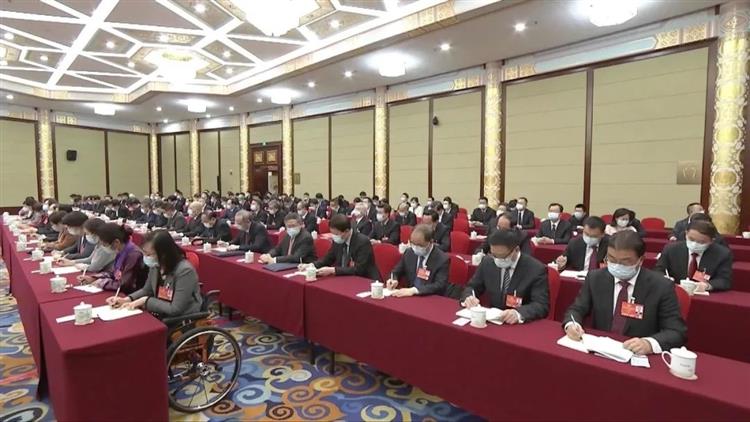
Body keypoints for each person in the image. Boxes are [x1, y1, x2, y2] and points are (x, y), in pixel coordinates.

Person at [562, 231, 687, 354]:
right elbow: (577, 309)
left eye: (625, 262)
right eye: (611, 259)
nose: (617, 265)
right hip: (601, 350)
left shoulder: (661, 286)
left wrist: (649, 343)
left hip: (635, 353)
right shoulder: (595, 278)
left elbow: (676, 331)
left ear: (640, 260)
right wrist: (572, 324)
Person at [460, 229, 549, 323]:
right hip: (493, 320)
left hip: (517, 324)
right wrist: (469, 297)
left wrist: (518, 313)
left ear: (516, 250)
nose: (498, 260)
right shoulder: (488, 262)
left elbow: (541, 305)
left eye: (503, 257)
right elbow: (472, 287)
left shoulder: (536, 269)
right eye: (494, 255)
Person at [107, 231, 202, 318]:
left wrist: (146, 301)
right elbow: (147, 290)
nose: (146, 258)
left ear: (164, 254)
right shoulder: (156, 265)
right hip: (160, 311)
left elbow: (175, 309)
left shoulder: (184, 271)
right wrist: (127, 299)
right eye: (144, 253)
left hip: (181, 318)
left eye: (149, 255)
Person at [654, 219, 732, 292]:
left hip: (703, 294)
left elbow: (724, 280)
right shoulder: (671, 249)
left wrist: (707, 285)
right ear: (686, 234)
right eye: (691, 239)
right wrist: (664, 278)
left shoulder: (722, 254)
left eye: (701, 242)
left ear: (712, 241)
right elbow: (658, 270)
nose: (695, 244)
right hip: (675, 291)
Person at [303, 214, 381, 280]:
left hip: (365, 279)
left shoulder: (362, 242)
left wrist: (333, 270)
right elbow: (328, 258)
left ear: (347, 231)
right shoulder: (338, 240)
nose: (334, 237)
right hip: (344, 278)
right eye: (333, 234)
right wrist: (312, 265)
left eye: (336, 234)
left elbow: (359, 269)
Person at [77, 223, 147, 293]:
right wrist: (93, 278)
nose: (103, 247)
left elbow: (124, 284)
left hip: (130, 293)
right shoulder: (121, 251)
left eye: (104, 245)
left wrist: (102, 283)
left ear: (116, 242)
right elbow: (113, 272)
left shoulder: (133, 255)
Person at [386, 224, 450, 297]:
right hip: (409, 297)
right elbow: (396, 271)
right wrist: (393, 279)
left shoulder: (442, 259)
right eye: (413, 243)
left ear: (430, 242)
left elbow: (439, 285)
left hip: (429, 297)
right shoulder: (409, 252)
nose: (415, 248)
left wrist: (415, 290)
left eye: (420, 245)